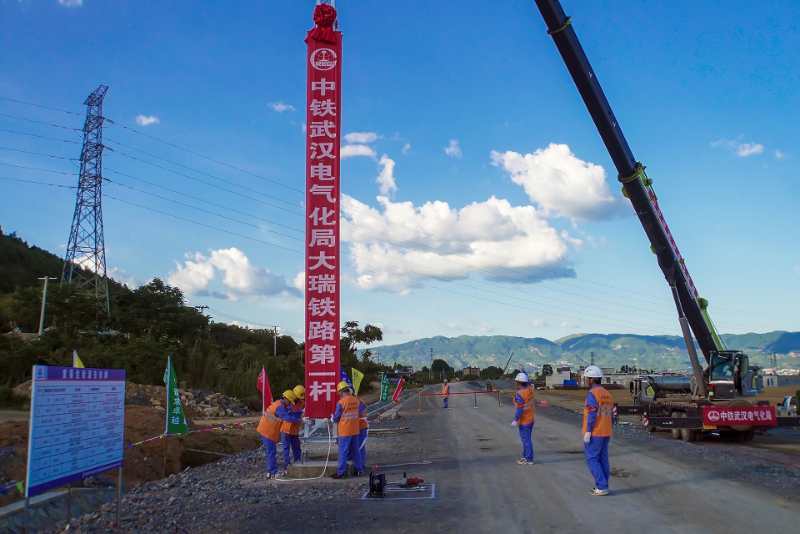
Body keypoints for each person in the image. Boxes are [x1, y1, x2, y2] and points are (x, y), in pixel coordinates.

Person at [582, 365, 614, 496]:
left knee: (592, 459)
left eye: (586, 378)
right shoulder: (607, 394)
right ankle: (603, 485)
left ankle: (601, 486)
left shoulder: (592, 394)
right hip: (606, 431)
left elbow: (592, 414)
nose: (585, 381)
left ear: (591, 379)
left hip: (595, 432)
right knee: (603, 459)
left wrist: (588, 431)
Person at [256, 389, 301, 479]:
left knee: (271, 452)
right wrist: (300, 420)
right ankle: (272, 472)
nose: (290, 404)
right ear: (286, 399)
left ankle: (270, 472)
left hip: (266, 430)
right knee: (271, 452)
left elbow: (288, 411)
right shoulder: (280, 407)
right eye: (290, 402)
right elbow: (286, 417)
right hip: (267, 431)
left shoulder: (279, 403)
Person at [331, 381, 365, 479]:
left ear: (341, 391)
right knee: (356, 451)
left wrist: (332, 418)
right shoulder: (356, 400)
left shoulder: (341, 402)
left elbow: (337, 417)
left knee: (343, 451)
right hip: (355, 429)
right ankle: (359, 470)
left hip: (345, 430)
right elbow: (360, 412)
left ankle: (341, 472)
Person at [510, 372, 535, 465]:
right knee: (527, 439)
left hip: (524, 420)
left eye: (517, 382)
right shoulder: (529, 390)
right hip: (531, 418)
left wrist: (515, 419)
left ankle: (528, 458)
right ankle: (525, 456)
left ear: (519, 383)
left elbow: (520, 409)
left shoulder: (520, 394)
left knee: (526, 440)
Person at [280, 385, 305, 466]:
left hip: (294, 429)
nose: (302, 398)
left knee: (296, 446)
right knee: (286, 448)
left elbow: (302, 411)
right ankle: (287, 465)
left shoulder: (302, 402)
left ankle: (297, 460)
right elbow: (289, 416)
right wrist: (300, 418)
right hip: (286, 429)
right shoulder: (289, 403)